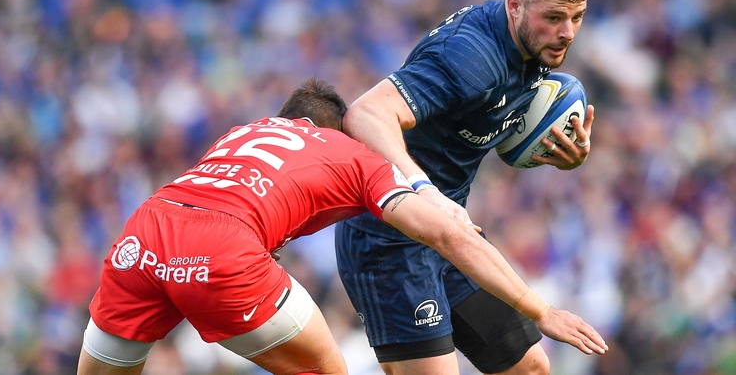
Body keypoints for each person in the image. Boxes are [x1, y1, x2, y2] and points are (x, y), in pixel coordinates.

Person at [77, 78, 605, 375]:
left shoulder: (241, 132)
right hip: (224, 250)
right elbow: (444, 233)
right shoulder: (351, 154)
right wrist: (540, 310)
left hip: (144, 233)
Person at [335, 0, 596, 375]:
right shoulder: (470, 57)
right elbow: (365, 114)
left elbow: (485, 129)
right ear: (515, 6)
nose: (567, 32)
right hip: (387, 240)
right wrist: (424, 189)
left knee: (531, 368)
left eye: (577, 17)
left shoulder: (534, 45)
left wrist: (560, 155)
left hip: (450, 236)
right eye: (554, 17)